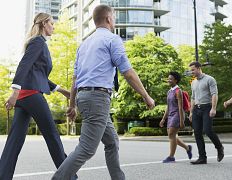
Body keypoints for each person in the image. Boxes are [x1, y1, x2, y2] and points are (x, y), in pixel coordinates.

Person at [51, 5, 155, 180]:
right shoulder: (112, 39)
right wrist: (146, 96)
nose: (114, 20)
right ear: (108, 18)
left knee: (112, 142)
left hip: (86, 98)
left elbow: (75, 79)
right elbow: (128, 72)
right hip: (97, 98)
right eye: (114, 17)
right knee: (87, 148)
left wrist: (72, 105)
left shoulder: (84, 45)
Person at [0, 13, 76, 180]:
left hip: (25, 98)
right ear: (43, 24)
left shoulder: (38, 43)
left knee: (14, 141)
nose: (53, 27)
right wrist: (14, 92)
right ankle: (69, 177)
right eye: (52, 23)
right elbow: (24, 65)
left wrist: (62, 90)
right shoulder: (38, 42)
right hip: (32, 95)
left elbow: (38, 75)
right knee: (52, 136)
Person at [188, 61, 224, 165]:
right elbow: (193, 97)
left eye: (193, 70)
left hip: (207, 107)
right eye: (191, 70)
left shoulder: (210, 79)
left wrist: (213, 108)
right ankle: (202, 157)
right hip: (196, 109)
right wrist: (191, 112)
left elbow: (214, 94)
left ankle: (219, 147)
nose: (192, 72)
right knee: (197, 133)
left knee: (207, 130)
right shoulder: (193, 82)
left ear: (199, 68)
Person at [159, 72, 192, 163]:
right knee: (171, 135)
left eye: (171, 79)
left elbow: (180, 107)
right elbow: (168, 107)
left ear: (176, 80)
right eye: (168, 78)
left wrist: (182, 121)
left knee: (171, 135)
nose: (168, 80)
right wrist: (163, 119)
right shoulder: (169, 91)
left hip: (177, 115)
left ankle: (171, 157)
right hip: (170, 115)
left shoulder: (178, 91)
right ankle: (187, 147)